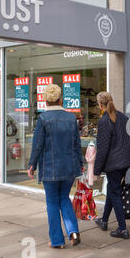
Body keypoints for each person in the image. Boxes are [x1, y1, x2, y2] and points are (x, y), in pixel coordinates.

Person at [27, 84, 84, 249]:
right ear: (61, 99)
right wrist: (80, 164)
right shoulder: (71, 118)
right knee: (65, 199)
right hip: (68, 167)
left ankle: (57, 240)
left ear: (46, 101)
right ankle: (73, 232)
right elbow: (76, 144)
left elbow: (37, 145)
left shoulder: (43, 119)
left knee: (52, 202)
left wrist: (32, 164)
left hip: (50, 169)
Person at [94, 92, 130, 239]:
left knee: (115, 193)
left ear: (101, 105)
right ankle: (104, 220)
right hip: (124, 162)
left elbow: (102, 148)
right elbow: (129, 141)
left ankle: (123, 229)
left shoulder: (104, 121)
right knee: (112, 189)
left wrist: (96, 170)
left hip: (113, 164)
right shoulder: (123, 117)